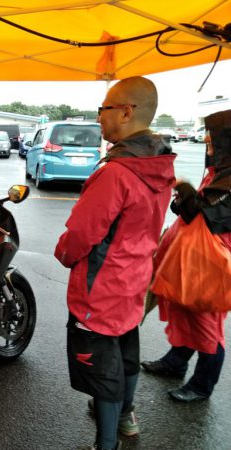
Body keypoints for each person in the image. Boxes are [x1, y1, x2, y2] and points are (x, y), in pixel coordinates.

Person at [54, 76, 176, 450]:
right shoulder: (160, 164)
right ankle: (126, 418)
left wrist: (64, 254)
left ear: (125, 112)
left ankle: (106, 443)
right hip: (135, 279)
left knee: (103, 370)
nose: (99, 117)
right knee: (126, 353)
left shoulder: (115, 173)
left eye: (103, 109)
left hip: (101, 288)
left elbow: (80, 235)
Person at [141, 109, 231, 402]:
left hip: (212, 267)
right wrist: (184, 200)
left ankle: (202, 385)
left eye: (213, 138)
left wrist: (190, 200)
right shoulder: (219, 173)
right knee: (185, 314)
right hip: (192, 263)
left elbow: (214, 219)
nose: (207, 141)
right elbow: (196, 212)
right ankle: (175, 363)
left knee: (207, 325)